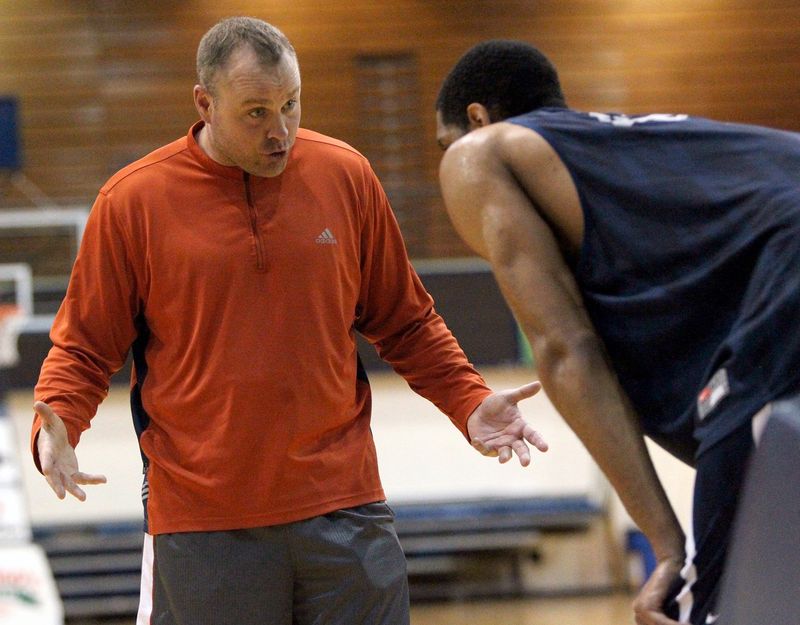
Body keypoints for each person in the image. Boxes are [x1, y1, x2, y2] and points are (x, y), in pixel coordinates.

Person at [30, 20, 549, 625]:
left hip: (346, 510)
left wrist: (468, 399)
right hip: (205, 526)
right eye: (256, 113)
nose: (280, 131)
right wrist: (56, 423)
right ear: (205, 102)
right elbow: (86, 347)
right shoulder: (132, 202)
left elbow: (406, 321)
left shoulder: (346, 176)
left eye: (291, 104)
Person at [434, 39, 800, 625]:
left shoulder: (482, 152)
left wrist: (668, 548)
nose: (447, 158)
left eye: (444, 141)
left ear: (475, 118)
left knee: (705, 599)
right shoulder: (634, 154)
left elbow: (563, 349)